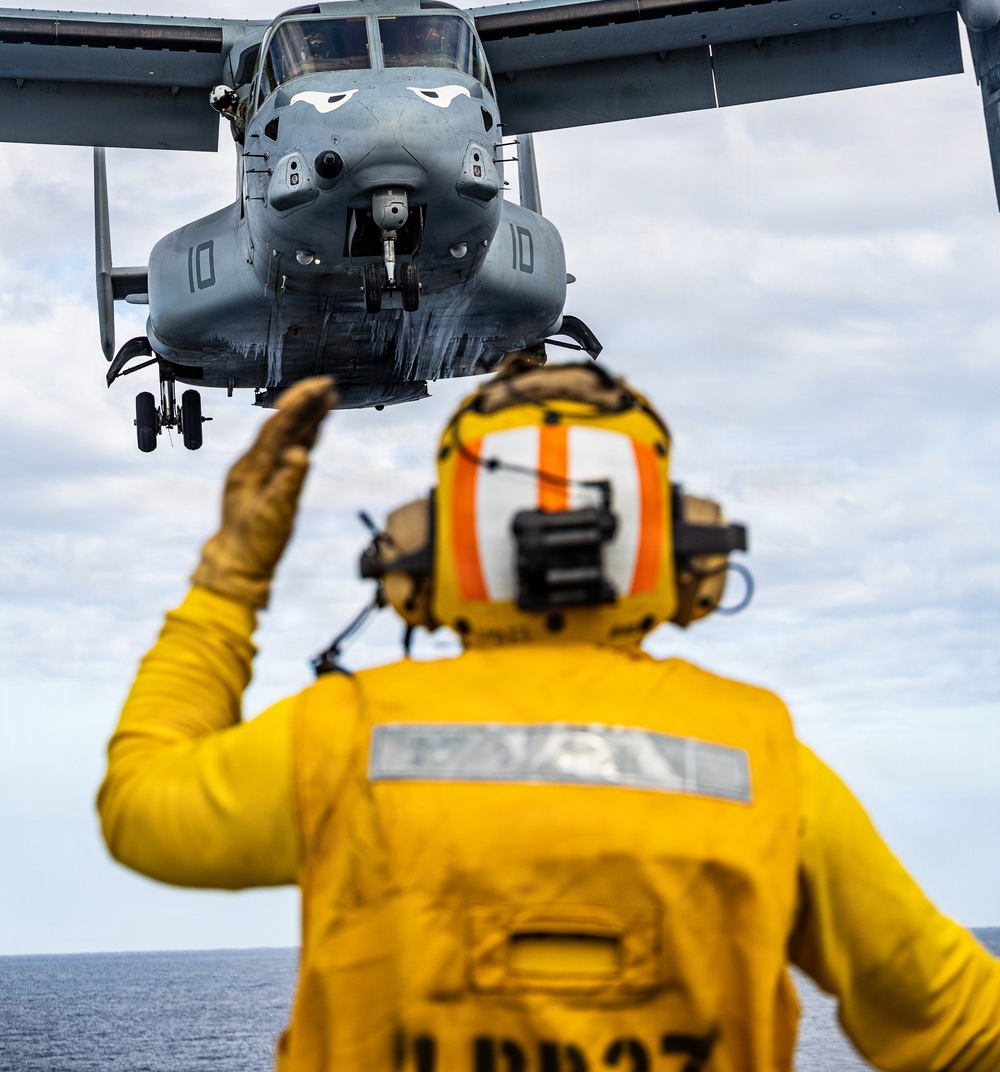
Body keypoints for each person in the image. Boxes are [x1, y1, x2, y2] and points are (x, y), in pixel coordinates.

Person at [98, 361, 1000, 1072]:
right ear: (683, 549)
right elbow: (962, 1029)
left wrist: (230, 579)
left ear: (426, 551)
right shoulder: (760, 762)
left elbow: (140, 809)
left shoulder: (345, 739)